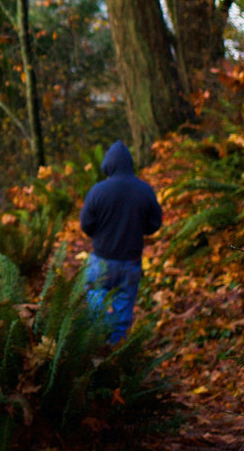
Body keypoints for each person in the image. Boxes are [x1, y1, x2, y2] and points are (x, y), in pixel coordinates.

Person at [79, 140, 162, 343]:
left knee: (94, 295)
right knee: (123, 310)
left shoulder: (98, 191)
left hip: (101, 260)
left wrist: (100, 233)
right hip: (130, 261)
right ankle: (114, 350)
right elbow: (155, 223)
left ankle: (98, 341)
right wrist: (138, 229)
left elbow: (86, 225)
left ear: (109, 165)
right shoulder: (144, 190)